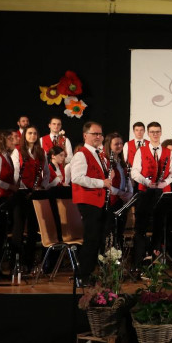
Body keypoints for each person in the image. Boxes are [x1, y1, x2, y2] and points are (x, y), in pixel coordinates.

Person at [130, 121, 172, 266]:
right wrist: (146, 182)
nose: (155, 134)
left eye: (157, 131)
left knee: (159, 227)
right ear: (148, 133)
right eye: (152, 132)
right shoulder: (141, 150)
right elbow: (134, 172)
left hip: (161, 193)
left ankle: (154, 263)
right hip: (145, 193)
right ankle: (138, 262)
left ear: (161, 132)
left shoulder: (167, 152)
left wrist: (164, 183)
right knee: (141, 228)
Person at [71, 121, 112, 284]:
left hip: (98, 201)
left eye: (100, 134)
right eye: (95, 134)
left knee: (98, 239)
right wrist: (102, 183)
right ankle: (83, 275)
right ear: (85, 135)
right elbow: (77, 178)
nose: (98, 137)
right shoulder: (81, 154)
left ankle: (92, 273)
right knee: (91, 238)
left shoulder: (98, 154)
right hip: (88, 202)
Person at [11, 125, 50, 272]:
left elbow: (46, 172)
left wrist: (42, 186)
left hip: (35, 193)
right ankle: (16, 263)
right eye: (29, 133)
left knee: (33, 229)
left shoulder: (41, 152)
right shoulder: (17, 151)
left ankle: (29, 263)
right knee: (19, 228)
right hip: (21, 192)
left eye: (35, 133)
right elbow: (15, 172)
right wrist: (19, 187)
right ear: (24, 135)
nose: (32, 136)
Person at [0, 129, 18, 280]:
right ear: (2, 140)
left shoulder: (7, 156)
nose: (13, 141)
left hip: (7, 200)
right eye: (10, 139)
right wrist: (11, 187)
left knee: (2, 236)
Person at [103, 132, 133, 242]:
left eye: (121, 143)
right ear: (109, 145)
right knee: (110, 231)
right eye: (116, 144)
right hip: (112, 201)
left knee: (120, 232)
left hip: (122, 201)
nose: (120, 146)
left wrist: (129, 194)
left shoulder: (121, 162)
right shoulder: (106, 162)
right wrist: (122, 194)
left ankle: (118, 252)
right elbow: (107, 185)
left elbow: (127, 180)